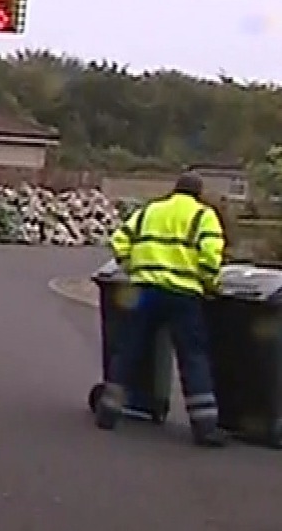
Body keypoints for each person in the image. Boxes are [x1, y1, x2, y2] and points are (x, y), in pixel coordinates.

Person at [94, 171, 226, 446]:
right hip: (183, 294)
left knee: (127, 349)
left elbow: (119, 240)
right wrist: (209, 283)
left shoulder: (150, 211)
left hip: (144, 291)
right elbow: (210, 256)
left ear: (174, 190)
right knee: (193, 357)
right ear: (198, 193)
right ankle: (204, 427)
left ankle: (108, 411)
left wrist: (131, 266)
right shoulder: (204, 216)